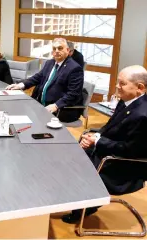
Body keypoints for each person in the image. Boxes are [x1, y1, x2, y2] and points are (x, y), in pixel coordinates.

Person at [62, 65, 147, 224]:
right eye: (117, 82)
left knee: (73, 167)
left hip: (122, 165)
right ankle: (71, 199)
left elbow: (130, 151)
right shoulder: (127, 101)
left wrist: (98, 141)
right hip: (109, 151)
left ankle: (84, 207)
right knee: (67, 157)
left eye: (122, 84)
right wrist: (95, 136)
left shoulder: (143, 115)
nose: (117, 87)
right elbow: (110, 128)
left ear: (140, 88)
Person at [6, 38, 84, 123]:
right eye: (54, 49)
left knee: (27, 119)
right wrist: (20, 85)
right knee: (15, 110)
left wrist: (56, 105)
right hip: (40, 103)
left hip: (60, 109)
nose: (57, 51)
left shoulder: (75, 68)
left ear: (68, 50)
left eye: (60, 48)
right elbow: (37, 77)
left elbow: (73, 94)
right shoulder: (50, 63)